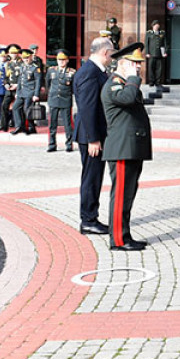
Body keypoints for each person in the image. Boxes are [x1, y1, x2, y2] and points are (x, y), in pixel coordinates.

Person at [101, 43, 153, 251]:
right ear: (121, 63)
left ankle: (125, 235)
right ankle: (118, 240)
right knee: (121, 194)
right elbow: (127, 98)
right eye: (134, 63)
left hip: (131, 147)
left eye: (139, 64)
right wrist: (132, 78)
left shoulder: (125, 83)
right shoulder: (115, 83)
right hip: (122, 148)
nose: (138, 67)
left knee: (128, 195)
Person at [74, 37, 113, 235]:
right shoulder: (90, 72)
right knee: (91, 178)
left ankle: (90, 217)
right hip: (91, 137)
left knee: (94, 177)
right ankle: (88, 220)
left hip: (93, 134)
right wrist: (93, 139)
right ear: (105, 52)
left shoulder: (94, 70)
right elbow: (88, 108)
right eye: (111, 54)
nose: (111, 57)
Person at [44, 50, 76, 152]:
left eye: (63, 60)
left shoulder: (72, 72)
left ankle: (69, 144)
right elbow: (48, 84)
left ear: (67, 61)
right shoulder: (51, 70)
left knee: (67, 124)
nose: (61, 62)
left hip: (65, 100)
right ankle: (52, 144)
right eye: (59, 60)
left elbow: (74, 88)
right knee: (52, 124)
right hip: (53, 99)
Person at [11, 46, 41, 135]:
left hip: (30, 92)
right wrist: (17, 92)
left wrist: (36, 94)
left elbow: (38, 82)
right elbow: (20, 80)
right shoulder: (22, 67)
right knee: (15, 107)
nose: (25, 60)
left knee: (27, 110)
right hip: (21, 92)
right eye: (24, 58)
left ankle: (31, 127)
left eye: (27, 58)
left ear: (31, 57)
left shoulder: (35, 68)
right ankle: (19, 126)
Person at [0, 45, 20, 131]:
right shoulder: (8, 64)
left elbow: (23, 76)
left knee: (17, 107)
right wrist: (6, 84)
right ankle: (3, 125)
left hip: (18, 88)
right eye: (11, 53)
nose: (13, 55)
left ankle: (18, 125)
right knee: (4, 106)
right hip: (9, 89)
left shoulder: (21, 63)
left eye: (15, 53)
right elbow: (5, 77)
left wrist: (17, 85)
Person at [144, 20, 167, 86]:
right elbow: (147, 44)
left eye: (157, 25)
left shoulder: (162, 33)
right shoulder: (149, 33)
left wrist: (165, 52)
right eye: (155, 25)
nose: (157, 26)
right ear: (153, 26)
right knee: (151, 69)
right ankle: (151, 81)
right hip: (151, 54)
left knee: (159, 69)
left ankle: (158, 82)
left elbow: (165, 43)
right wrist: (147, 53)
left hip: (159, 54)